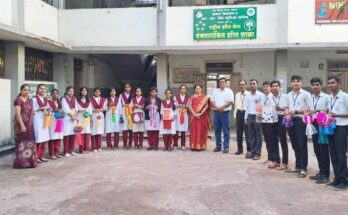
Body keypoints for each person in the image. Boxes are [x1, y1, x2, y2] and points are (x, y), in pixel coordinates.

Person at [285, 75, 313, 178]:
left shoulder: (306, 94)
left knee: (302, 144)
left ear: (301, 82)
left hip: (301, 121)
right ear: (291, 83)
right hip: (290, 121)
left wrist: (296, 111)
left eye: (298, 81)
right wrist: (287, 113)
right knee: (294, 144)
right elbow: (286, 107)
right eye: (293, 81)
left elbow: (309, 108)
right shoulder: (288, 95)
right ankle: (298, 165)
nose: (296, 83)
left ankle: (303, 168)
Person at [327, 76, 348, 191]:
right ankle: (337, 178)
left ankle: (344, 181)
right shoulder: (330, 97)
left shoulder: (345, 96)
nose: (330, 85)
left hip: (342, 128)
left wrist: (337, 115)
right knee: (333, 153)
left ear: (338, 84)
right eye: (329, 83)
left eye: (333, 83)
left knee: (341, 154)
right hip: (331, 127)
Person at [308, 77, 330, 184]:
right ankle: (321, 172)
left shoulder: (326, 97)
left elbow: (329, 109)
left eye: (317, 84)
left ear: (321, 85)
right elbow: (307, 109)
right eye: (313, 85)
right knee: (317, 149)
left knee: (323, 149)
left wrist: (317, 110)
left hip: (323, 124)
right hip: (313, 123)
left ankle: (326, 175)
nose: (315, 87)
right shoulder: (310, 97)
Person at [13, 84, 37, 169]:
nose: (26, 91)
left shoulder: (30, 101)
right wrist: (22, 125)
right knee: (21, 143)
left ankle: (30, 163)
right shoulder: (18, 100)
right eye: (24, 89)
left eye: (28, 90)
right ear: (21, 90)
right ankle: (21, 163)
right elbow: (17, 113)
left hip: (30, 125)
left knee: (30, 142)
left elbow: (31, 112)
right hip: (21, 125)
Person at [211, 77, 234, 153]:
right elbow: (212, 101)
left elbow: (230, 101)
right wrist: (217, 108)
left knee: (226, 130)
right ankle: (218, 146)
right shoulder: (215, 91)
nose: (222, 83)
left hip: (225, 113)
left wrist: (221, 107)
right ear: (218, 83)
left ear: (226, 83)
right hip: (216, 112)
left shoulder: (229, 91)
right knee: (217, 130)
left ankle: (226, 147)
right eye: (220, 82)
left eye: (223, 82)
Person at [270, 80, 289, 171]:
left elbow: (287, 109)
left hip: (282, 118)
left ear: (279, 87)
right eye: (273, 86)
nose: (274, 87)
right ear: (271, 88)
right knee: (274, 141)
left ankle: (285, 162)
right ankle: (276, 160)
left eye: (276, 86)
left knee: (283, 140)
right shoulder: (269, 97)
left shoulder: (285, 96)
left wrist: (280, 108)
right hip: (272, 119)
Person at [260, 81, 279, 168]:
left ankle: (275, 159)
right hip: (264, 120)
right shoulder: (262, 97)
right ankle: (270, 157)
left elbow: (273, 110)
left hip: (271, 121)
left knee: (272, 141)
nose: (265, 88)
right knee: (267, 140)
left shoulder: (272, 97)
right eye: (264, 87)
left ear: (270, 88)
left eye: (267, 86)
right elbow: (260, 108)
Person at [244, 79, 263, 160]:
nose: (252, 85)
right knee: (251, 136)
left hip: (257, 116)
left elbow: (261, 107)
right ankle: (253, 151)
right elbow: (247, 107)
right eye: (251, 84)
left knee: (258, 136)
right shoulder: (248, 95)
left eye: (254, 83)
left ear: (257, 85)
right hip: (250, 117)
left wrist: (259, 118)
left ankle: (258, 153)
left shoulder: (260, 95)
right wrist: (245, 118)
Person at [32, 84, 50, 163]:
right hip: (37, 120)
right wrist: (41, 108)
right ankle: (36, 156)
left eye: (44, 89)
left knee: (44, 138)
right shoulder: (34, 99)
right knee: (39, 138)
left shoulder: (45, 99)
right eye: (41, 88)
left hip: (45, 119)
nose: (43, 90)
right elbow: (32, 109)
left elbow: (48, 108)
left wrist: (48, 111)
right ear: (37, 90)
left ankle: (41, 156)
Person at [189, 84, 210, 151]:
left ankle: (201, 146)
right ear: (194, 89)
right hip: (193, 116)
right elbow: (190, 106)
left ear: (201, 89)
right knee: (194, 131)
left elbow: (206, 106)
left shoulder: (204, 97)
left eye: (199, 88)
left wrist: (201, 113)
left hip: (202, 116)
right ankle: (193, 146)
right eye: (196, 88)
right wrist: (195, 114)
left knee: (201, 130)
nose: (198, 89)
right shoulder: (192, 97)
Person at [234, 80, 250, 155]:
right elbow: (236, 106)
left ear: (246, 85)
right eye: (240, 85)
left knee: (247, 133)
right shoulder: (237, 94)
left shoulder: (249, 94)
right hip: (239, 113)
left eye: (243, 84)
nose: (241, 86)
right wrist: (235, 116)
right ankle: (239, 149)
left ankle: (249, 150)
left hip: (246, 113)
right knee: (239, 133)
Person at [61, 86, 79, 157]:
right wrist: (71, 116)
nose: (71, 92)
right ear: (66, 91)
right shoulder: (64, 99)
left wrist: (74, 115)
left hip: (73, 117)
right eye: (70, 91)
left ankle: (71, 150)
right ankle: (66, 151)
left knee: (73, 133)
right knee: (67, 134)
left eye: (72, 91)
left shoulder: (74, 98)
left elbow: (76, 108)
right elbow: (65, 109)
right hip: (67, 118)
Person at [48, 89, 64, 159]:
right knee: (52, 137)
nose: (55, 95)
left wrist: (62, 113)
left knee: (58, 136)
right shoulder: (49, 102)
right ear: (51, 94)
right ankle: (52, 154)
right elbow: (47, 112)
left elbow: (62, 110)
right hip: (52, 120)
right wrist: (53, 111)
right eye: (53, 93)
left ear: (58, 95)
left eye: (56, 93)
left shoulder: (59, 102)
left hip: (59, 120)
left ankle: (56, 152)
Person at [173, 84, 190, 151]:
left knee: (183, 131)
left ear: (186, 90)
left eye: (184, 89)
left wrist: (185, 106)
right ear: (179, 89)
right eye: (182, 88)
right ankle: (175, 144)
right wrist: (178, 105)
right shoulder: (175, 97)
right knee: (176, 130)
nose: (183, 90)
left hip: (184, 115)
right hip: (177, 115)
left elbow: (189, 106)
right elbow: (174, 106)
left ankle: (183, 145)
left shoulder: (188, 98)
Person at [90, 87, 106, 152]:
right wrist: (94, 110)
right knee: (94, 131)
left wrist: (102, 109)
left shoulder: (103, 99)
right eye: (96, 91)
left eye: (99, 92)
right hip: (94, 115)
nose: (97, 93)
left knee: (99, 131)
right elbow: (90, 109)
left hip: (100, 115)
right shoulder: (91, 99)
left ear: (100, 93)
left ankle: (99, 146)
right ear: (94, 92)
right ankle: (94, 147)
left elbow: (105, 108)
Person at [77, 87, 92, 153]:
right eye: (82, 91)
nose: (84, 92)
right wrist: (82, 110)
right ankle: (81, 149)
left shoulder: (89, 100)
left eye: (85, 91)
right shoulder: (77, 100)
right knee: (81, 132)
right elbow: (76, 109)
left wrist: (91, 120)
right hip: (80, 117)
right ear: (80, 92)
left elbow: (90, 111)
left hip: (87, 118)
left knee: (87, 132)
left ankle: (86, 148)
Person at [119, 83, 133, 149]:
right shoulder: (121, 95)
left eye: (128, 87)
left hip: (130, 112)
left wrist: (129, 105)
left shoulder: (132, 95)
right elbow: (119, 104)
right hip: (124, 111)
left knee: (130, 128)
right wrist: (120, 114)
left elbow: (133, 104)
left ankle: (130, 144)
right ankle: (125, 144)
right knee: (124, 128)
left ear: (130, 88)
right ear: (124, 88)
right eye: (126, 87)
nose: (127, 88)